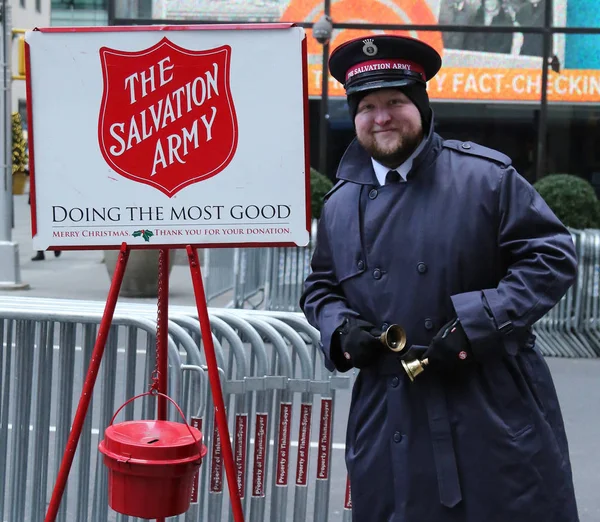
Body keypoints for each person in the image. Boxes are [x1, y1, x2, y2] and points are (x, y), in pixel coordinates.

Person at [300, 34, 579, 522]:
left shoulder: (485, 177)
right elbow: (320, 288)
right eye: (367, 106)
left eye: (395, 101)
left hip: (488, 407)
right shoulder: (340, 202)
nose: (381, 117)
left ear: (422, 105)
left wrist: (478, 325)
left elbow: (550, 256)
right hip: (386, 417)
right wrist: (342, 331)